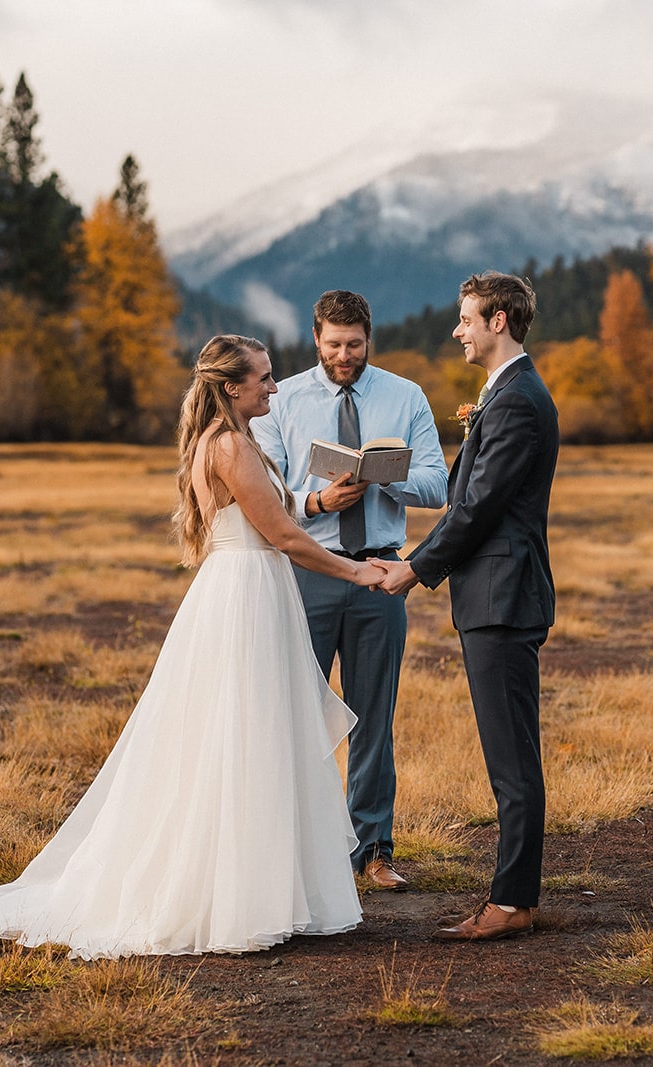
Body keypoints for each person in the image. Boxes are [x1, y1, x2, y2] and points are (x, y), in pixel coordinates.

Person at [0, 335, 385, 959]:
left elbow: (279, 520)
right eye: (262, 378)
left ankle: (257, 887)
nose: (273, 386)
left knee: (249, 736)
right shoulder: (230, 445)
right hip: (244, 597)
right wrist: (358, 571)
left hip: (247, 592)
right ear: (231, 388)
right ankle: (233, 896)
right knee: (243, 734)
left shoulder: (232, 440)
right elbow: (284, 535)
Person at [376, 271, 559, 941]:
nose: (457, 330)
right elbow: (469, 494)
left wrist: (413, 569)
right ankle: (518, 895)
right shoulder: (505, 394)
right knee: (510, 754)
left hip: (501, 597)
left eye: (466, 318)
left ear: (499, 321)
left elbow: (476, 508)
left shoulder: (514, 401)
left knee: (512, 759)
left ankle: (511, 902)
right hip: (494, 594)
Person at [253, 290, 447, 889]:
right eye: (333, 345)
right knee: (297, 715)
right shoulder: (279, 400)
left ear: (369, 338)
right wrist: (317, 500)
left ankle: (374, 852)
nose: (344, 355)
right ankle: (296, 851)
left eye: (355, 345)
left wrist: (385, 482)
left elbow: (438, 484)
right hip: (306, 571)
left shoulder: (405, 396)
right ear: (316, 338)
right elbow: (261, 490)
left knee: (372, 718)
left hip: (380, 575)